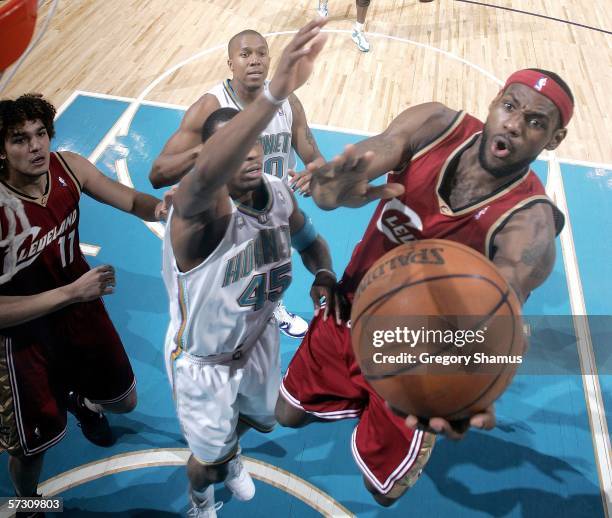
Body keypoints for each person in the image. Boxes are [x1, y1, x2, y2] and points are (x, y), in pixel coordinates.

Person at [275, 68, 571, 506]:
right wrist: (335, 185)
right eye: (510, 106)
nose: (513, 123)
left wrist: (470, 377)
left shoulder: (530, 225)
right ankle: (361, 399)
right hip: (352, 305)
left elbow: (500, 316)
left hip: (415, 357)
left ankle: (391, 420)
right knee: (287, 416)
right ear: (494, 103)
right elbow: (377, 152)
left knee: (384, 494)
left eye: (535, 121)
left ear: (554, 139)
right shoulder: (435, 125)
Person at [161, 19, 333, 517]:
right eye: (240, 146)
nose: (253, 152)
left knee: (264, 421)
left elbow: (313, 243)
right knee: (207, 463)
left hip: (256, 338)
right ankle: (201, 498)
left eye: (257, 145)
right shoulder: (195, 216)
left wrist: (322, 275)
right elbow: (168, 173)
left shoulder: (276, 195)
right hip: (205, 361)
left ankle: (231, 451)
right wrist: (278, 88)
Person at [0, 93, 170, 516]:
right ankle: (27, 502)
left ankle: (83, 400)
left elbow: (131, 200)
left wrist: (166, 209)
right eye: (20, 139)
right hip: (20, 340)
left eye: (41, 134)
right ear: (1, 150)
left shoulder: (68, 167)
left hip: (79, 312)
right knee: (31, 450)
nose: (36, 146)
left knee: (124, 402)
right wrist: (71, 292)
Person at [150, 29, 324, 339]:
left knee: (269, 273)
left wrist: (316, 172)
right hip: (224, 215)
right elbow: (158, 172)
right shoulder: (209, 107)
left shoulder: (286, 101)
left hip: (270, 208)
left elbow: (313, 155)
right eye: (245, 55)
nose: (254, 61)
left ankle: (272, 310)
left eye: (261, 53)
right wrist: (208, 150)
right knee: (223, 293)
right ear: (230, 62)